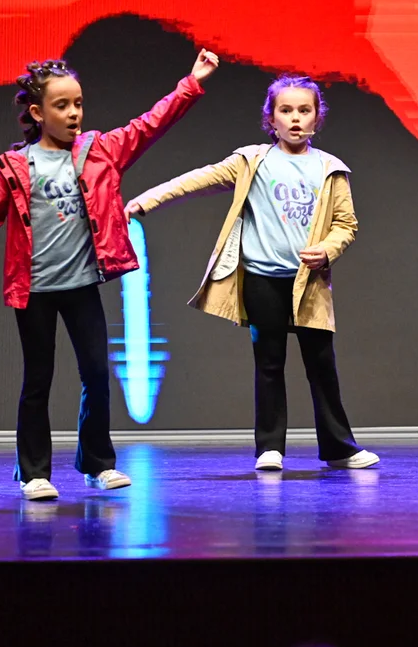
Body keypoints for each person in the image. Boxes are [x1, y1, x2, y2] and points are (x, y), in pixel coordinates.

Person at [0, 49, 219, 500]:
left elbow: (151, 124)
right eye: (62, 105)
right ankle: (34, 473)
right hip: (35, 291)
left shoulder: (99, 152)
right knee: (38, 380)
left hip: (81, 286)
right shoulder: (15, 168)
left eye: (78, 104)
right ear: (38, 113)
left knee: (96, 374)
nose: (73, 113)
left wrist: (192, 82)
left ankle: (97, 463)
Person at [125, 74, 379, 472]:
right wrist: (147, 200)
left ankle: (339, 448)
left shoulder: (331, 169)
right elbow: (197, 180)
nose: (295, 118)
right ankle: (270, 448)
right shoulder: (252, 161)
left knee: (321, 367)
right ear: (271, 118)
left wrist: (327, 250)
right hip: (262, 279)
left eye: (304, 110)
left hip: (308, 283)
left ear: (317, 117)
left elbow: (346, 224)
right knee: (269, 364)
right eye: (286, 110)